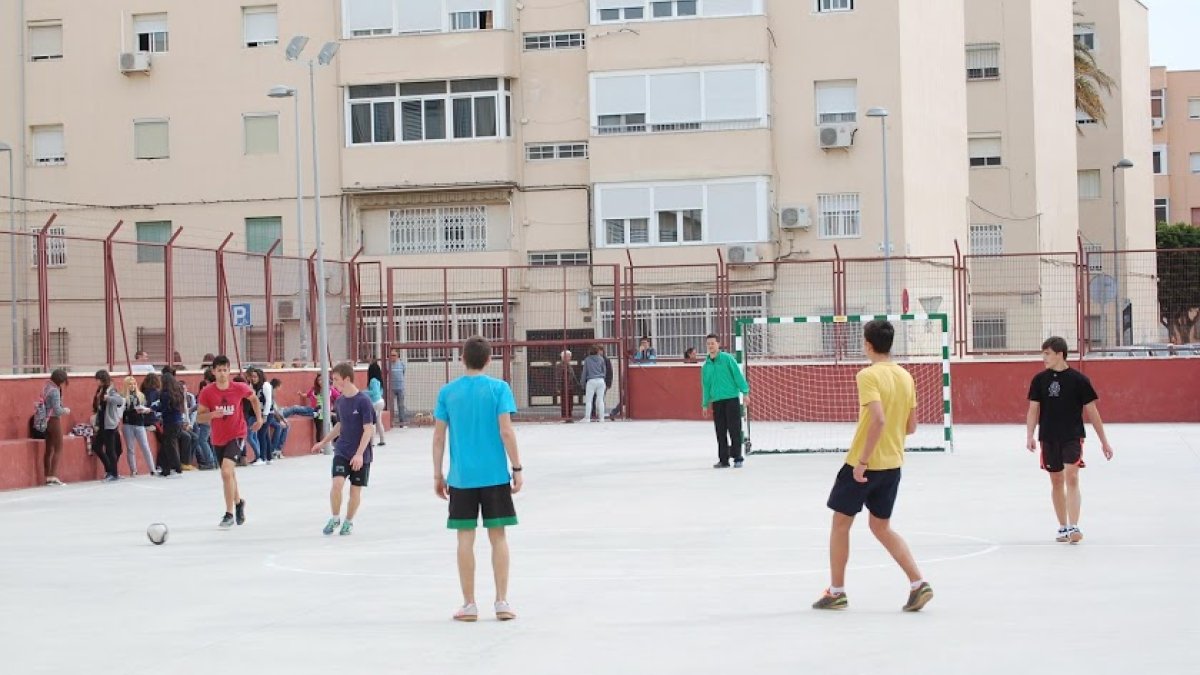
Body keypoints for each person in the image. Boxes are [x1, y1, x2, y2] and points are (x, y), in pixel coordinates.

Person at [812, 320, 933, 613]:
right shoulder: (906, 377)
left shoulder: (867, 375)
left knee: (840, 525)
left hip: (863, 464)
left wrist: (863, 463)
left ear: (867, 344)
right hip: (893, 464)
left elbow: (877, 419)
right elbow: (911, 426)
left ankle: (837, 592)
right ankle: (918, 583)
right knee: (881, 526)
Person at [433, 336, 523, 622]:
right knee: (498, 537)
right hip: (495, 476)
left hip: (461, 478)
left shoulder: (448, 392)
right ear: (488, 359)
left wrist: (438, 473)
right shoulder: (499, 389)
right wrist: (517, 467)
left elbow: (438, 436)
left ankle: (469, 605)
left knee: (465, 539)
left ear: (462, 358)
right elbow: (506, 431)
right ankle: (502, 602)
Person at [1026, 336, 1115, 544]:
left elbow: (1093, 412)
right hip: (1048, 437)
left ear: (1060, 354)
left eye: (1047, 353)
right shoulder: (1039, 380)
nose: (1044, 358)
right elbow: (1033, 409)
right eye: (1043, 354)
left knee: (1072, 476)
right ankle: (1063, 527)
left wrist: (1104, 441)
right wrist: (1029, 435)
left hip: (1072, 436)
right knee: (1056, 480)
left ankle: (1074, 526)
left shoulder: (1079, 380)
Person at [197, 355, 264, 529]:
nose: (222, 374)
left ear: (229, 371)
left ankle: (228, 514)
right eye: (218, 370)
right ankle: (239, 502)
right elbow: (199, 417)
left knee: (226, 472)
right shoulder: (207, 392)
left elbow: (254, 399)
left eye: (225, 370)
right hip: (218, 438)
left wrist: (259, 418)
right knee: (230, 475)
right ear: (213, 372)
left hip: (237, 434)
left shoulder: (239, 387)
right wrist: (212, 415)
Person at [313, 363, 376, 536]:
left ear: (347, 379)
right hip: (342, 450)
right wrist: (323, 442)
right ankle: (335, 518)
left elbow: (368, 429)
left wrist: (359, 455)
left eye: (336, 379)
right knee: (337, 484)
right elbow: (340, 425)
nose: (333, 383)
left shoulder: (364, 401)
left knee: (355, 490)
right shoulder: (340, 401)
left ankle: (348, 521)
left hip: (361, 455)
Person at [700, 333, 749, 468]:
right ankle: (723, 460)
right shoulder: (706, 366)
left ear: (718, 344)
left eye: (713, 343)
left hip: (731, 399)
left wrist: (745, 392)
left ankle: (738, 458)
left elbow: (738, 376)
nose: (710, 346)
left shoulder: (728, 359)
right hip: (717, 401)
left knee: (734, 430)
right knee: (720, 431)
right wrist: (705, 404)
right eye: (708, 343)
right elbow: (706, 386)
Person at [92, 370, 126, 482]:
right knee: (96, 447)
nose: (96, 381)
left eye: (98, 379)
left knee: (111, 450)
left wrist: (108, 398)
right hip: (102, 424)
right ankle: (109, 470)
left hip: (109, 424)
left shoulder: (111, 390)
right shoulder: (100, 390)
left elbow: (119, 400)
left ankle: (114, 473)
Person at [120, 376, 156, 476]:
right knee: (130, 448)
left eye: (134, 384)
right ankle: (133, 470)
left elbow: (146, 407)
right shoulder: (122, 396)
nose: (132, 386)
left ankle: (152, 469)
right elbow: (121, 410)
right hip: (128, 424)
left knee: (145, 447)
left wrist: (143, 410)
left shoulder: (141, 395)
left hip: (140, 423)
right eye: (130, 384)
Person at [152, 371, 187, 476]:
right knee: (167, 445)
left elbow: (163, 408)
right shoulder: (178, 392)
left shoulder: (165, 394)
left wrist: (152, 408)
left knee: (170, 446)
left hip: (169, 422)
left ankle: (177, 468)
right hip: (178, 421)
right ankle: (166, 469)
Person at [40, 369, 71, 486]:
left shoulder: (46, 386)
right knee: (58, 447)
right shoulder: (55, 391)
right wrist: (66, 410)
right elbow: (57, 410)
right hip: (53, 420)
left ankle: (47, 476)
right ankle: (53, 476)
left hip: (45, 420)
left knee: (48, 449)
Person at [581, 346, 607, 423]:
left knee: (589, 400)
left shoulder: (587, 360)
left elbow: (584, 372)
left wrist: (582, 382)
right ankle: (602, 418)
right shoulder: (601, 359)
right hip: (601, 380)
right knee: (600, 400)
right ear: (597, 351)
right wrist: (603, 378)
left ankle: (587, 418)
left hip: (591, 380)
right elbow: (604, 370)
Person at [367, 360, 387, 446]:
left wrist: (365, 392)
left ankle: (372, 442)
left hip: (375, 403)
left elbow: (374, 392)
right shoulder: (379, 381)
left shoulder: (373, 381)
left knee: (372, 422)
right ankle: (382, 439)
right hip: (381, 402)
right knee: (379, 421)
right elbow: (380, 392)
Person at [554, 350, 577, 422]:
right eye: (569, 356)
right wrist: (558, 387)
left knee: (570, 402)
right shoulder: (560, 366)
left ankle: (569, 416)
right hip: (564, 387)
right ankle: (565, 416)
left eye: (570, 356)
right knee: (564, 402)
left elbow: (573, 376)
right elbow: (558, 377)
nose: (570, 358)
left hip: (570, 386)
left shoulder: (569, 365)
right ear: (564, 357)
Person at [389, 349, 407, 427]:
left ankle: (401, 423)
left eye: (394, 355)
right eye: (391, 355)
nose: (392, 357)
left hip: (400, 388)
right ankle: (390, 422)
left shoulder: (402, 364)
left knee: (401, 405)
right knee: (390, 405)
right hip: (391, 388)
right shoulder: (388, 364)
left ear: (397, 356)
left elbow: (403, 372)